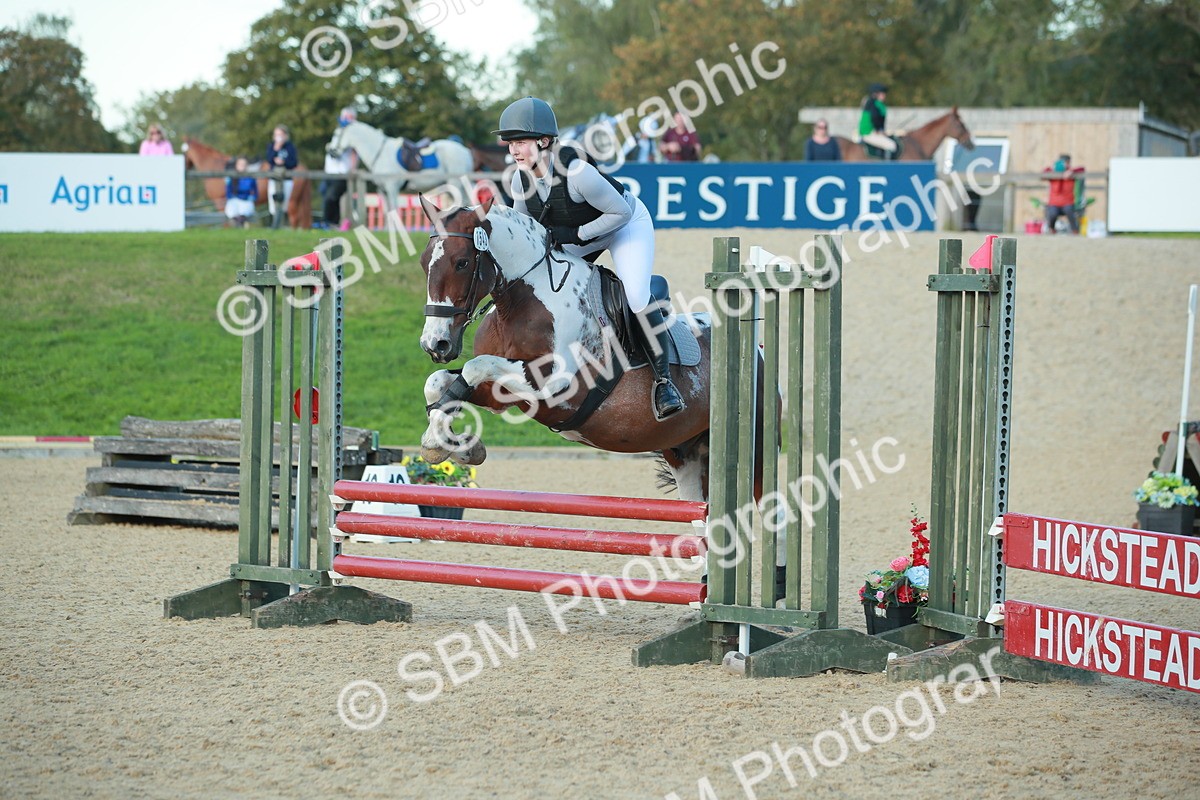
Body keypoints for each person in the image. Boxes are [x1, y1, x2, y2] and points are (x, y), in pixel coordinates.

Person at [494, 96, 685, 421]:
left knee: (636, 295)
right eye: (510, 143)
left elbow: (620, 212)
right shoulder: (519, 180)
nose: (514, 150)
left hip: (625, 225)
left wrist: (576, 236)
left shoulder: (577, 171)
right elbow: (523, 233)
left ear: (544, 141)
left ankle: (664, 382)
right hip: (583, 230)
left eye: (521, 142)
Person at [323, 107, 358, 230]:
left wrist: (352, 170)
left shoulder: (354, 134)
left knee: (331, 197)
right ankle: (333, 224)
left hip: (342, 172)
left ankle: (328, 222)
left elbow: (354, 153)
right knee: (330, 198)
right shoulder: (338, 131)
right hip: (330, 172)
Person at [1041, 153, 1084, 234]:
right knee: (1052, 213)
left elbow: (1082, 169)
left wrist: (1072, 171)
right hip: (1054, 203)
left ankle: (1075, 231)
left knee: (1069, 210)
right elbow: (1043, 174)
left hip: (1068, 203)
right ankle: (1052, 229)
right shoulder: (1053, 173)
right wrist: (1052, 168)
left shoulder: (1071, 173)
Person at [265, 124, 298, 220]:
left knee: (284, 203)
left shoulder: (290, 147)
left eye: (280, 135)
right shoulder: (271, 146)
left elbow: (294, 162)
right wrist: (276, 149)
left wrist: (284, 162)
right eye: (276, 135)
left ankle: (282, 222)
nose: (278, 137)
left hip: (287, 178)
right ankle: (274, 223)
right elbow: (269, 159)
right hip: (274, 178)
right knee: (273, 201)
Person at [858, 83, 896, 158]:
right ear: (876, 94)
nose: (884, 96)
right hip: (869, 133)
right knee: (891, 145)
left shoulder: (872, 103)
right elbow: (875, 118)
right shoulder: (875, 104)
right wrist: (879, 130)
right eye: (882, 94)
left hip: (869, 132)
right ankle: (887, 167)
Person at [224, 156, 257, 228]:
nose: (242, 166)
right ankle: (236, 226)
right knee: (232, 212)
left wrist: (252, 197)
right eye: (240, 164)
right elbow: (228, 191)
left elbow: (255, 191)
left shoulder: (250, 177)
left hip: (246, 200)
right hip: (234, 200)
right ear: (236, 165)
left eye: (244, 164)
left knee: (244, 212)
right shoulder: (232, 177)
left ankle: (241, 224)